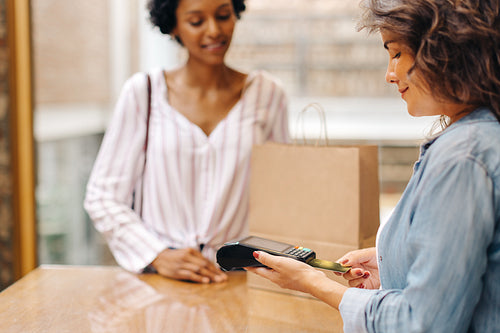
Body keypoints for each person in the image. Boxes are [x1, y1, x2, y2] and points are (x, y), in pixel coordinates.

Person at [246, 0, 500, 332]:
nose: (389, 74)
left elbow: (422, 322)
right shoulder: (477, 136)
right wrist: (394, 264)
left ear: (447, 49)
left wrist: (314, 283)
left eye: (396, 53)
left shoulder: (462, 156)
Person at [84, 0, 289, 284]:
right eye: (196, 21)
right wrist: (158, 254)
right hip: (161, 282)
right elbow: (103, 197)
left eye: (223, 16)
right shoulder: (144, 93)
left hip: (240, 281)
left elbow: (281, 194)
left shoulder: (267, 94)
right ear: (173, 26)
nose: (214, 30)